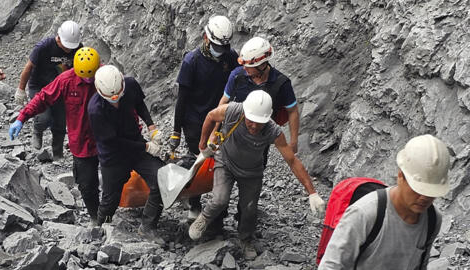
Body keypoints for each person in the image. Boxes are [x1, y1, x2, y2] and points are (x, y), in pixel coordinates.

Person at [188, 90, 325, 258]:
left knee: (249, 209)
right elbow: (210, 116)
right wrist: (203, 144)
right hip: (226, 161)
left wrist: (312, 192)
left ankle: (245, 239)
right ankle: (205, 219)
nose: (254, 126)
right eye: (250, 121)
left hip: (252, 172)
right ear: (245, 112)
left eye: (259, 123)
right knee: (220, 199)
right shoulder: (232, 110)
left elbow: (292, 161)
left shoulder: (272, 130)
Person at [318, 134, 449, 270]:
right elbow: (331, 266)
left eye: (430, 192)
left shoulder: (433, 220)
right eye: (418, 189)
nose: (424, 198)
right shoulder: (365, 213)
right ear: (400, 176)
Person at [9, 47, 101, 225]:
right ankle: (96, 218)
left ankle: (110, 213)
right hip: (82, 143)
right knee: (86, 185)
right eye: (85, 77)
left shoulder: (106, 76)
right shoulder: (66, 80)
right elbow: (43, 98)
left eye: (92, 76)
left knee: (116, 179)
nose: (89, 80)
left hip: (107, 139)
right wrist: (22, 117)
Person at [169, 15, 239, 224]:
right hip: (195, 120)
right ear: (206, 38)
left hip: (220, 118)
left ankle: (219, 206)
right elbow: (182, 99)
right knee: (198, 161)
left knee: (221, 160)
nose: (221, 50)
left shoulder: (230, 58)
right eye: (217, 45)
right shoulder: (192, 62)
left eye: (223, 47)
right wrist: (176, 132)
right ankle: (194, 201)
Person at [87, 65, 166, 242]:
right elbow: (114, 142)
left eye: (118, 97)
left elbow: (139, 104)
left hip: (136, 144)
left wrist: (151, 126)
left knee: (161, 178)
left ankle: (148, 226)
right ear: (99, 91)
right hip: (113, 155)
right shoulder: (95, 110)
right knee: (110, 200)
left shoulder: (130, 85)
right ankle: (101, 227)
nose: (115, 101)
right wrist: (146, 147)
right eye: (110, 99)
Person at [212, 36, 300, 164]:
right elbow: (223, 102)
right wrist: (215, 131)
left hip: (259, 140)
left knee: (254, 171)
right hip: (232, 135)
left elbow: (292, 111)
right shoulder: (237, 76)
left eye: (248, 66)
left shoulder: (281, 84)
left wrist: (293, 142)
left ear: (262, 65)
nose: (244, 68)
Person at [14, 20, 82, 159]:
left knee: (60, 121)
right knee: (44, 117)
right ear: (58, 38)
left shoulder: (78, 48)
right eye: (66, 46)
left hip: (61, 88)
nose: (69, 50)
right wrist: (21, 89)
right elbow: (28, 67)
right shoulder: (44, 47)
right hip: (39, 85)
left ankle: (57, 154)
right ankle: (37, 131)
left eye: (71, 47)